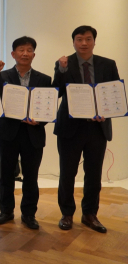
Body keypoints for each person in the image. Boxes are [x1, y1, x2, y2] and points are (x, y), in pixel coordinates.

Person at [53, 26, 120, 233]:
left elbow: (114, 94)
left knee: (94, 174)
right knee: (67, 173)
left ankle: (90, 214)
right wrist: (61, 70)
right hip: (70, 127)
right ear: (73, 42)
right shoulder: (64, 63)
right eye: (79, 39)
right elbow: (56, 92)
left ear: (94, 41)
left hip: (97, 128)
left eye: (88, 39)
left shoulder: (108, 64)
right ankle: (67, 213)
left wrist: (106, 111)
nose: (84, 43)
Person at [0, 36, 52, 230]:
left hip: (33, 133)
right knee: (6, 174)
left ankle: (29, 214)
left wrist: (39, 121)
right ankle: (6, 211)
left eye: (29, 50)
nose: (25, 53)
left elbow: (48, 107)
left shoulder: (44, 79)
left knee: (31, 176)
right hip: (8, 132)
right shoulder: (3, 76)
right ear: (13, 54)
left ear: (34, 54)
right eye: (21, 50)